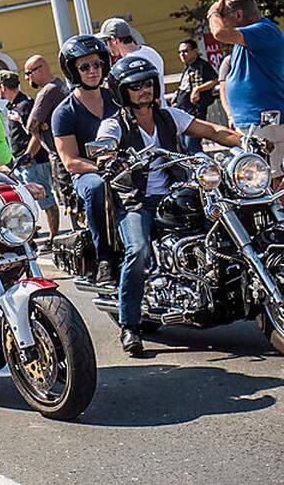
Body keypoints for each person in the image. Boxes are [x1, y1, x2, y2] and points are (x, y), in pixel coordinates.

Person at [98, 56, 247, 355]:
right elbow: (104, 144)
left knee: (228, 216)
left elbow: (213, 131)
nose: (145, 90)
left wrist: (246, 141)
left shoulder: (169, 116)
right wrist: (108, 156)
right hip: (136, 201)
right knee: (137, 250)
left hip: (175, 193)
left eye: (148, 84)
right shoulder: (114, 124)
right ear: (122, 92)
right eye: (135, 86)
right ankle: (130, 326)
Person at [52, 35, 121, 281]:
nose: (93, 71)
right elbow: (70, 161)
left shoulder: (117, 99)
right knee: (97, 188)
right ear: (73, 70)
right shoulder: (64, 112)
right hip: (87, 174)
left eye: (97, 64)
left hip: (125, 165)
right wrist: (101, 169)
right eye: (84, 66)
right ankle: (105, 256)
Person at [208, 0, 284, 175]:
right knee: (259, 180)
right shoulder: (247, 39)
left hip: (265, 121)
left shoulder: (264, 31)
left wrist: (212, 12)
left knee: (271, 179)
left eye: (224, 16)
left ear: (239, 14)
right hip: (252, 122)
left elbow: (220, 33)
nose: (222, 21)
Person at [0, 71, 56, 240]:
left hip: (33, 161)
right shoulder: (14, 106)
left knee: (45, 198)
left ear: (3, 87)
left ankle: (53, 237)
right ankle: (33, 234)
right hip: (22, 160)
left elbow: (36, 134)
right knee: (25, 200)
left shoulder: (24, 105)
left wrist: (29, 155)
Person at [22, 54, 69, 241]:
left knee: (70, 201)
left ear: (39, 69)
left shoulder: (48, 91)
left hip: (60, 156)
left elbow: (30, 126)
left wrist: (40, 125)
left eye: (28, 73)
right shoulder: (61, 86)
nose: (27, 78)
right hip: (68, 152)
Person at [99, 17, 165, 98]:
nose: (107, 47)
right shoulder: (150, 51)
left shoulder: (127, 63)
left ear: (113, 40)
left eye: (106, 42)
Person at [173, 38, 219, 153]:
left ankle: (207, 168)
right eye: (180, 52)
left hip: (195, 111)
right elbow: (185, 85)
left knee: (191, 145)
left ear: (195, 51)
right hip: (182, 110)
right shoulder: (188, 67)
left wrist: (198, 89)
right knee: (184, 145)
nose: (182, 55)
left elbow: (214, 80)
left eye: (185, 51)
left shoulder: (202, 65)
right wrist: (176, 95)